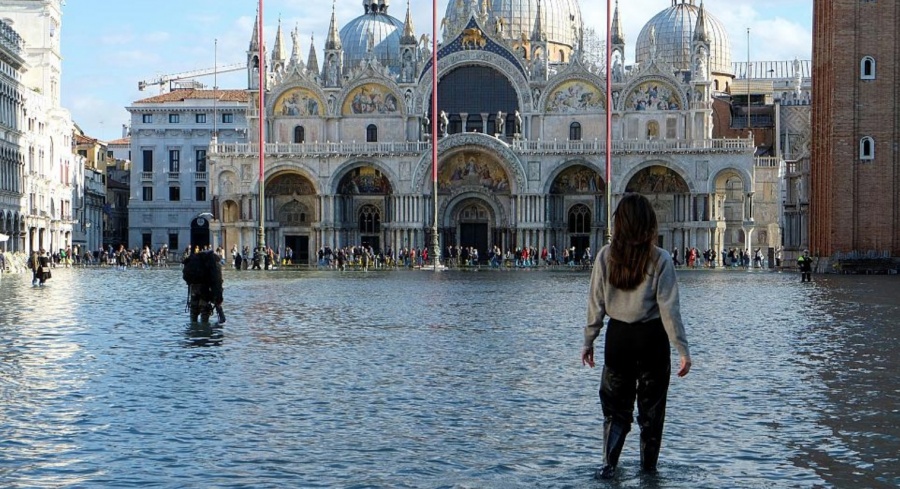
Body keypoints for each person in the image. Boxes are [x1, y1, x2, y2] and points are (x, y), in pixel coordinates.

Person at [581, 193, 692, 479]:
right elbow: (669, 309)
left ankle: (609, 467)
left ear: (619, 222)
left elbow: (596, 303)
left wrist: (589, 341)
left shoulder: (605, 256)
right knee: (651, 417)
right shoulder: (661, 258)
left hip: (618, 340)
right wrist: (682, 349)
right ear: (649, 223)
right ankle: (649, 473)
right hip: (652, 341)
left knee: (615, 413)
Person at [182, 249, 225, 324]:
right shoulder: (214, 264)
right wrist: (218, 298)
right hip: (205, 290)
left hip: (194, 288)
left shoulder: (196, 262)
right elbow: (217, 282)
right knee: (204, 311)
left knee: (193, 311)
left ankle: (193, 327)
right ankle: (204, 328)